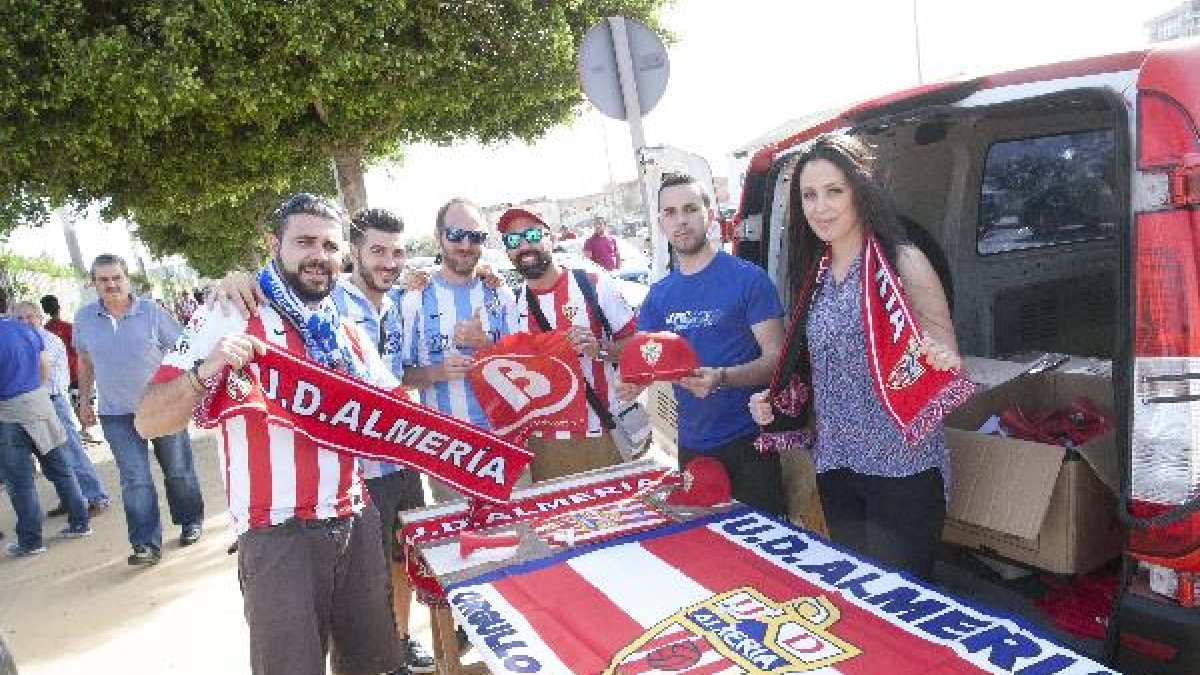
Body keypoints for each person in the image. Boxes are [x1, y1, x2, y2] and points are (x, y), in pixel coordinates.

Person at [135, 193, 406, 675]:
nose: (319, 255)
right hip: (277, 531)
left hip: (355, 516)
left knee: (372, 666)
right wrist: (207, 370)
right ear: (273, 243)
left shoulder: (344, 329)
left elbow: (399, 410)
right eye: (305, 242)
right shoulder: (229, 312)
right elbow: (149, 419)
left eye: (329, 245)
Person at [748, 133, 962, 580]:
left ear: (861, 191)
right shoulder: (815, 276)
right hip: (836, 465)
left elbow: (949, 359)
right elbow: (815, 371)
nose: (820, 207)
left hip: (901, 467)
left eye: (834, 191)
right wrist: (775, 402)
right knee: (861, 596)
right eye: (809, 195)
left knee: (901, 599)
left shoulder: (903, 261)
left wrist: (936, 359)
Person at [617, 173, 787, 515]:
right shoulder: (659, 296)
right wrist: (634, 383)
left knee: (761, 544)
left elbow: (777, 359)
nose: (681, 220)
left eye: (690, 209)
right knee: (706, 543)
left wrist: (722, 377)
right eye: (670, 212)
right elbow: (645, 360)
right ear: (661, 223)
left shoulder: (748, 279)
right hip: (693, 447)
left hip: (750, 442)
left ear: (709, 215)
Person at [74, 253, 205, 565]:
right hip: (115, 414)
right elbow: (86, 360)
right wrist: (84, 399)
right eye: (103, 280)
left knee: (178, 470)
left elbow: (184, 349)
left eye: (116, 278)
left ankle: (190, 521)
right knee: (135, 479)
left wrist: (185, 391)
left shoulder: (152, 312)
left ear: (127, 279)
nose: (111, 284)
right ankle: (145, 543)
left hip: (162, 408)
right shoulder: (84, 318)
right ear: (94, 283)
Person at [499, 206, 636, 481]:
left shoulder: (594, 284)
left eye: (532, 235)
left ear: (551, 238)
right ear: (508, 251)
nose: (524, 245)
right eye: (513, 240)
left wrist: (600, 348)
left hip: (602, 431)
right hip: (545, 443)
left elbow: (637, 344)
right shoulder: (512, 303)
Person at [399, 198, 515, 500]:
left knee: (518, 529)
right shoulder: (414, 298)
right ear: (438, 237)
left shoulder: (500, 293)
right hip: (447, 451)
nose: (465, 245)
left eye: (475, 236)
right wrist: (436, 373)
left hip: (506, 445)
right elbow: (400, 375)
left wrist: (486, 345)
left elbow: (525, 366)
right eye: (455, 235)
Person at [0, 314, 91, 557]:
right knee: (61, 469)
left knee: (20, 482)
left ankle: (31, 540)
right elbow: (44, 368)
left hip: (8, 414)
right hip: (40, 405)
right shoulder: (26, 330)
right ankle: (80, 522)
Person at [11, 301, 110, 515]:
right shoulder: (16, 342)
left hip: (52, 403)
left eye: (30, 316)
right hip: (28, 406)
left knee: (71, 451)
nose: (25, 321)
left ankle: (96, 497)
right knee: (50, 459)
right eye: (19, 318)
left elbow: (42, 378)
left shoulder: (49, 340)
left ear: (40, 318)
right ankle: (70, 499)